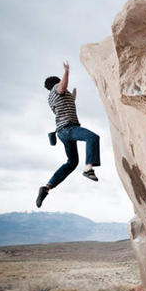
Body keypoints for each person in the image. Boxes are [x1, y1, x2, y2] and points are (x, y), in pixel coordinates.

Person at [36, 61, 100, 208]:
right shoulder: (56, 89)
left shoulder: (54, 98)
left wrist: (74, 96)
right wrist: (66, 72)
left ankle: (47, 187)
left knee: (72, 162)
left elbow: (66, 102)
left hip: (63, 132)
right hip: (68, 129)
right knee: (92, 137)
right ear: (56, 83)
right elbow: (62, 87)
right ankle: (88, 169)